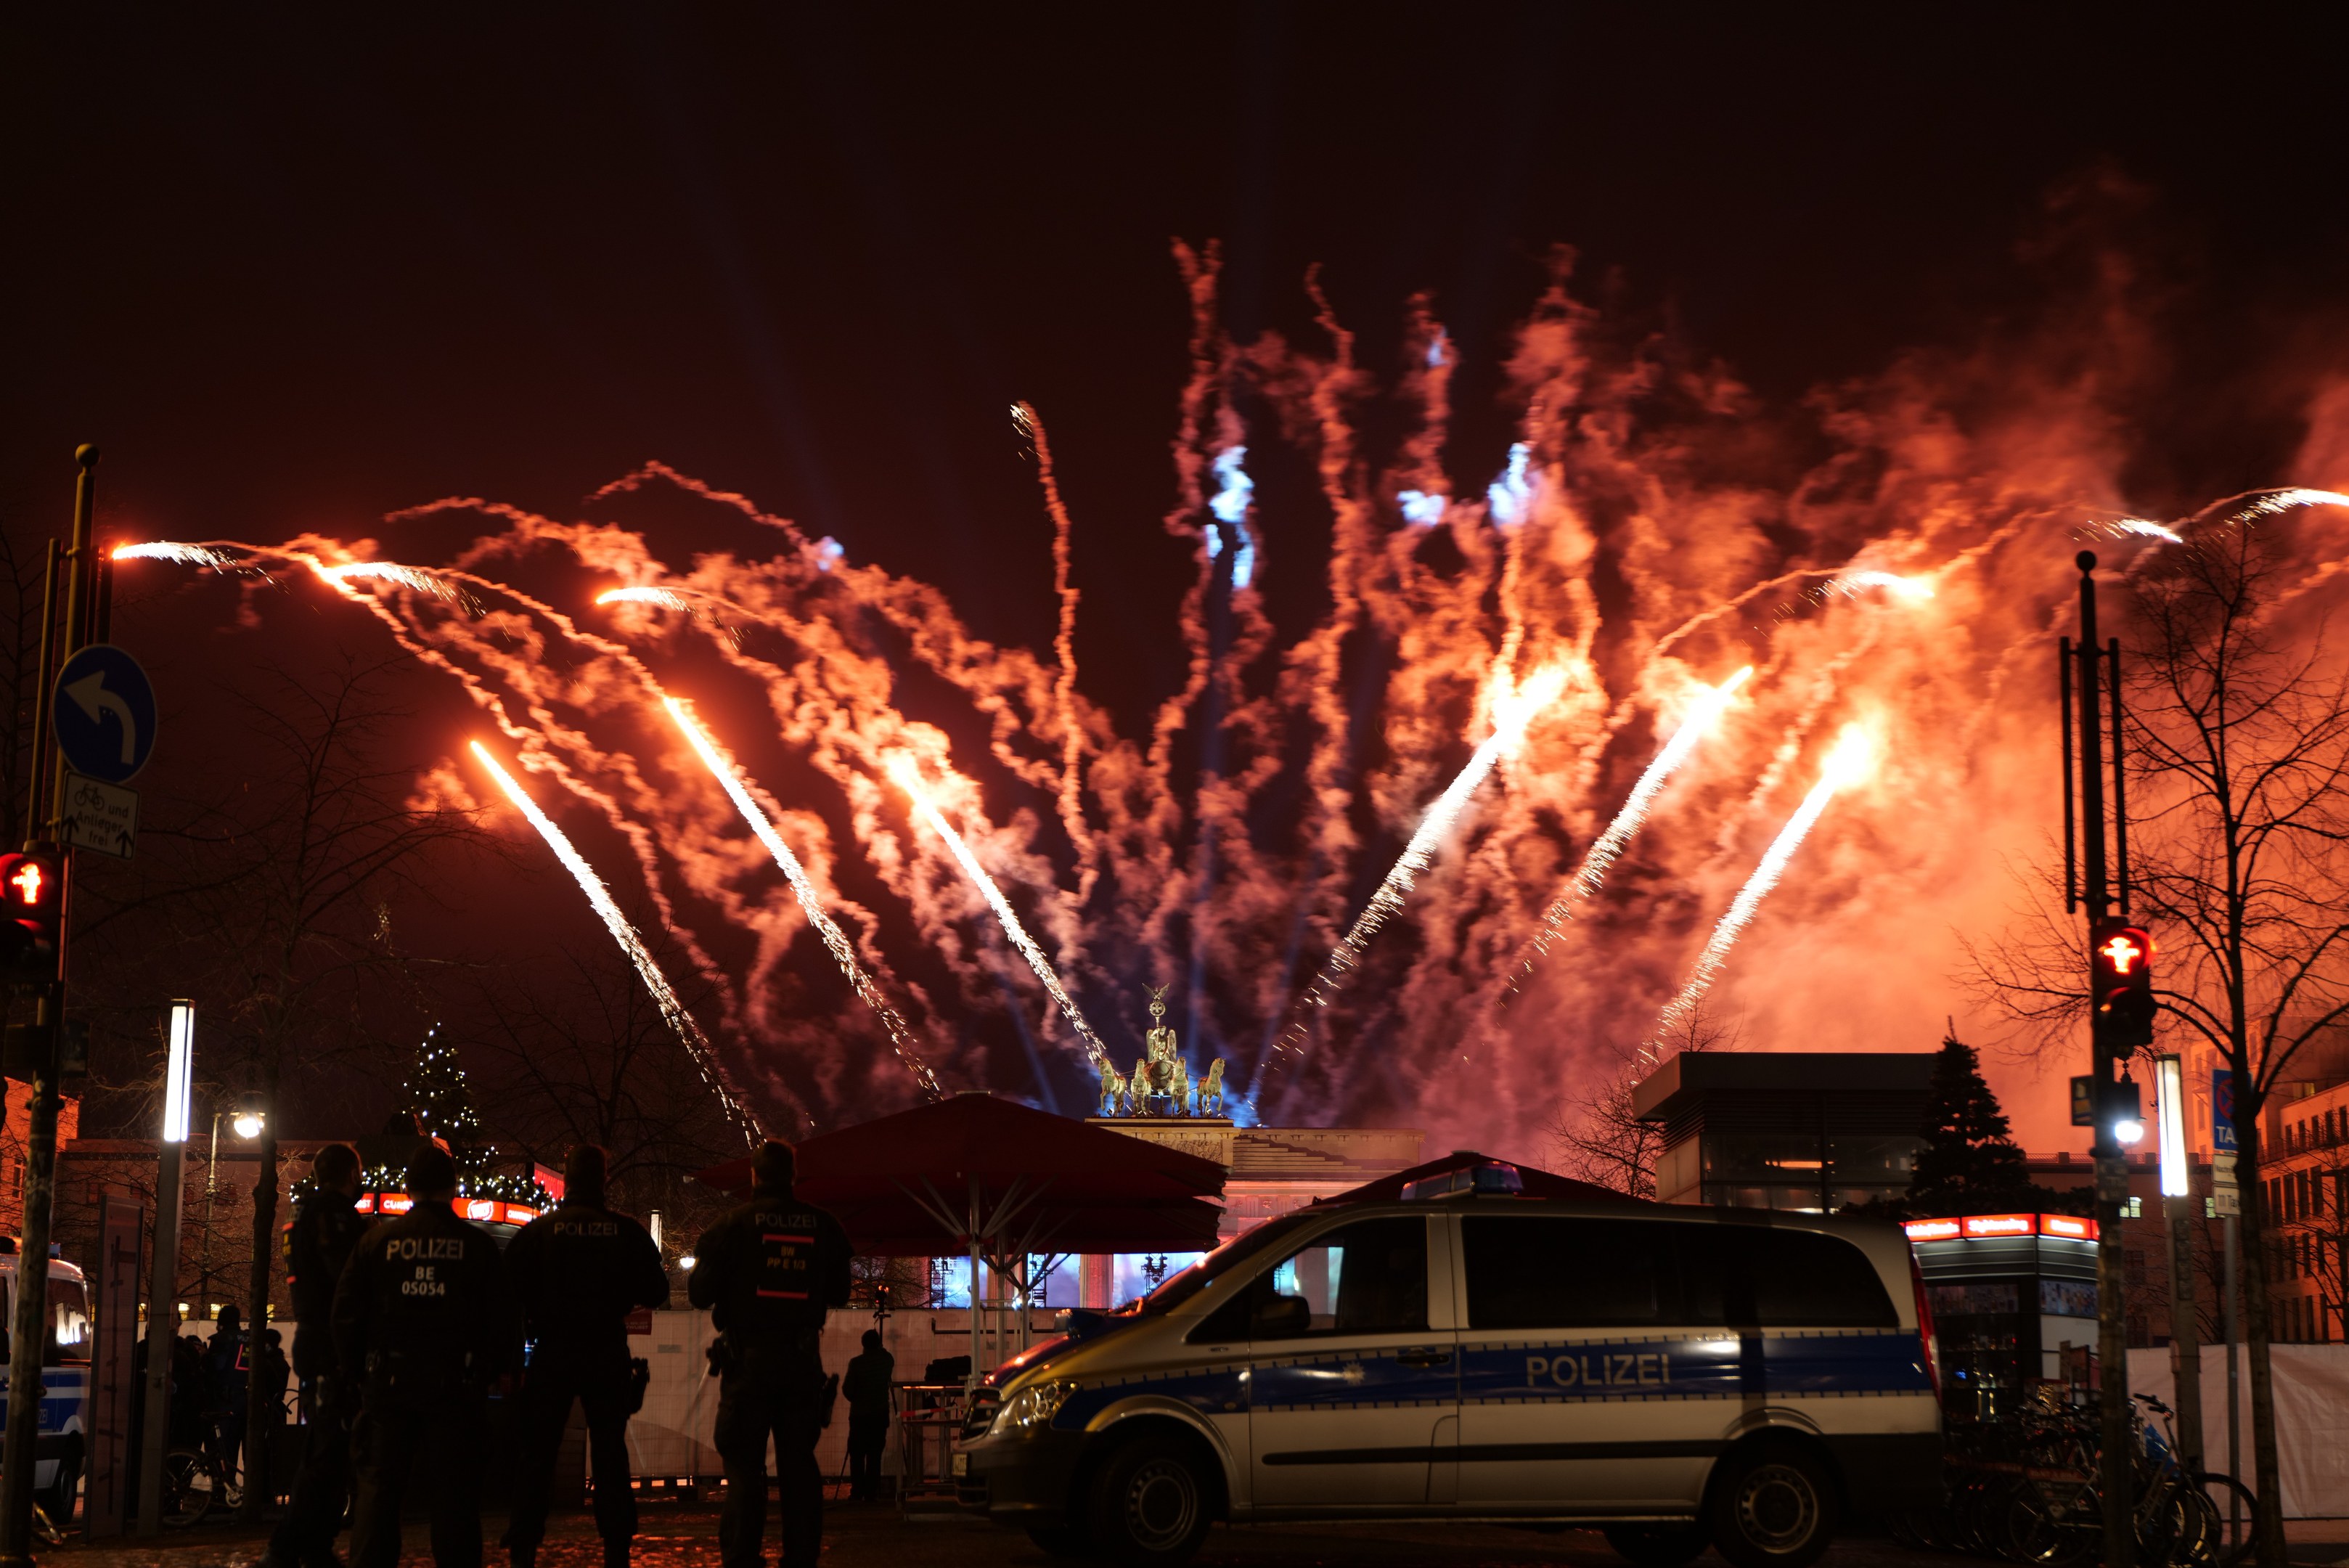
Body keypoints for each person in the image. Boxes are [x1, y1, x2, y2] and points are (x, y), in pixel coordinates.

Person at [334, 1143, 519, 1568]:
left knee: (379, 1497)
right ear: (453, 1187)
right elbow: (503, 1319)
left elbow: (344, 1314)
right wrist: (487, 1373)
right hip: (454, 1388)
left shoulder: (376, 1241)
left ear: (408, 1186)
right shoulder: (476, 1245)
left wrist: (356, 1373)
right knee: (454, 1499)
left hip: (388, 1385)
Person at [502, 1146, 670, 1568]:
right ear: (604, 1179)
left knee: (538, 1453)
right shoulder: (626, 1232)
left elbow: (504, 1295)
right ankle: (616, 1547)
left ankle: (524, 1545)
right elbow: (657, 1291)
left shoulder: (539, 1233)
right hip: (605, 1350)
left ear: (567, 1179)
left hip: (551, 1351)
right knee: (611, 1451)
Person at [687, 1140, 850, 1568]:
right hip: (800, 1363)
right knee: (799, 1465)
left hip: (747, 1364)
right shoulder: (823, 1226)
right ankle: (801, 1558)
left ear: (755, 1176)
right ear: (793, 1176)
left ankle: (742, 1557)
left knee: (743, 1466)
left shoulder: (732, 1226)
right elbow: (840, 1290)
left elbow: (699, 1293)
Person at [263, 1142, 371, 1568]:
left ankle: (315, 1546)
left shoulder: (302, 1214)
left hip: (315, 1340)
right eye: (358, 1173)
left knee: (331, 1450)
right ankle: (286, 1547)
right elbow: (350, 1282)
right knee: (325, 1451)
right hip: (332, 1344)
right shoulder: (335, 1217)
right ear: (350, 1174)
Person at [840, 1329, 894, 1503]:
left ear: (863, 1344)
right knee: (874, 1455)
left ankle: (857, 1492)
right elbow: (888, 1356)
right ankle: (871, 1493)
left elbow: (847, 1391)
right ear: (878, 1344)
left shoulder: (856, 1364)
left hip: (859, 1416)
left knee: (857, 1455)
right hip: (879, 1414)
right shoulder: (886, 1361)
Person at [203, 1304, 250, 1484]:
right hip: (244, 1401)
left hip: (224, 1401)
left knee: (222, 1448)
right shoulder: (247, 1339)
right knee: (239, 1448)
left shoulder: (223, 1339)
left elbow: (217, 1368)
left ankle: (222, 1488)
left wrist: (206, 1358)